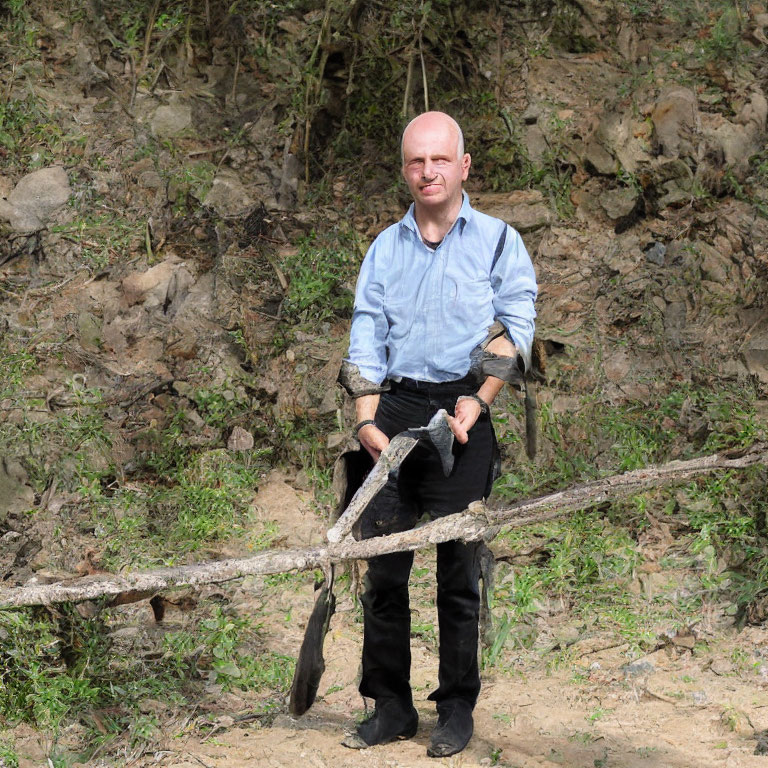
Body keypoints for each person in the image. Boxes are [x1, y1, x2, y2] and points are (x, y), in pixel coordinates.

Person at [338, 111, 537, 757]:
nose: (429, 172)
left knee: (458, 573)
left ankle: (455, 710)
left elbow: (517, 324)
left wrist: (479, 401)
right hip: (393, 413)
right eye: (417, 162)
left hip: (462, 408)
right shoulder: (383, 248)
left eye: (440, 160)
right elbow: (365, 337)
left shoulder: (500, 241)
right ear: (405, 169)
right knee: (384, 573)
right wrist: (366, 418)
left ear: (464, 166)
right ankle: (390, 706)